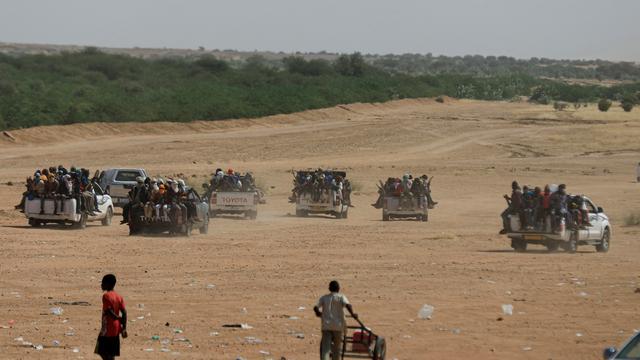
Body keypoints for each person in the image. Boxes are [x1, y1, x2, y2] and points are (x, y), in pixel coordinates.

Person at [314, 280, 358, 360]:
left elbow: (315, 307)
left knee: (325, 349)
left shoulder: (324, 298)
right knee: (337, 349)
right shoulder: (341, 297)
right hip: (338, 326)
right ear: (338, 288)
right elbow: (348, 305)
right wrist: (353, 314)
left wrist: (318, 313)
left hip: (326, 326)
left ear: (329, 288)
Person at [95, 274, 127, 360]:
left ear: (108, 284)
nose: (101, 285)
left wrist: (117, 317)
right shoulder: (119, 296)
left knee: (101, 351)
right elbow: (124, 312)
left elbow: (109, 311)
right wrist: (124, 328)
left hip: (107, 328)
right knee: (111, 352)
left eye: (103, 283)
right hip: (116, 328)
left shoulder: (106, 296)